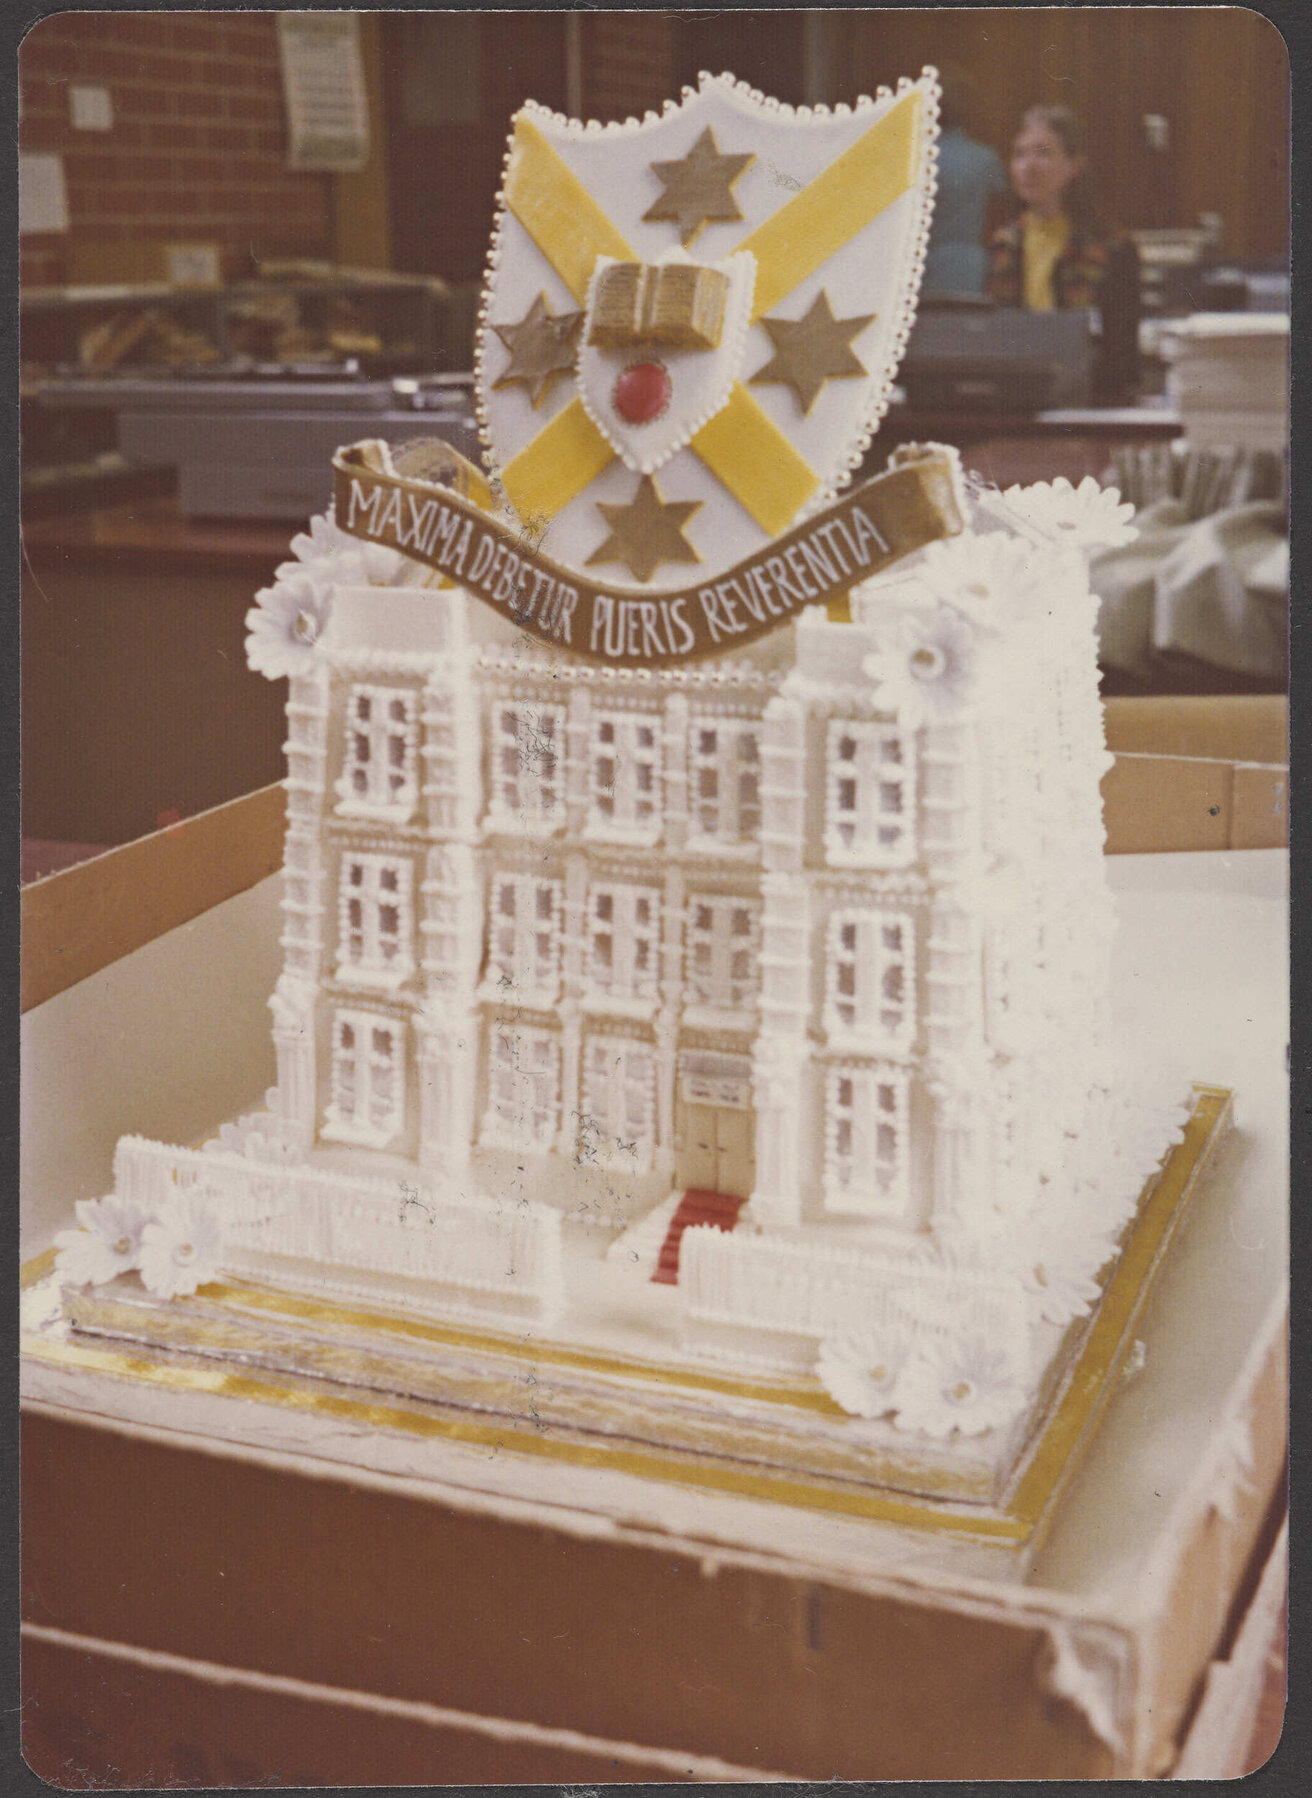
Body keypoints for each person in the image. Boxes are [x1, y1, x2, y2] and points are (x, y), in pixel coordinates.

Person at [988, 104, 1140, 399]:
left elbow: (1122, 358)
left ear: (1075, 165)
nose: (1028, 166)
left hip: (1091, 398)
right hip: (1017, 395)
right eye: (1020, 154)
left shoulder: (1112, 247)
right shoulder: (1004, 243)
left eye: (1043, 153)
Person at [922, 66, 1008, 301]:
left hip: (921, 263)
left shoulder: (916, 158)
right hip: (970, 266)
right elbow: (1000, 214)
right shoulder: (985, 158)